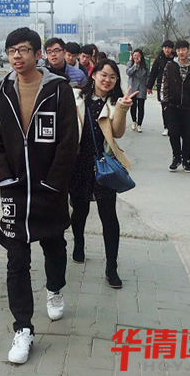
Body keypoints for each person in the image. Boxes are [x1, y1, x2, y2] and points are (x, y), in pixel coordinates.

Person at [0, 27, 78, 365]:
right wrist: (4, 178)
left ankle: (55, 288)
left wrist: (54, 183)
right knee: (16, 259)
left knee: (54, 246)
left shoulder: (58, 90)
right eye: (12, 50)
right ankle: (23, 327)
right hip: (14, 190)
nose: (16, 56)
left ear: (38, 54)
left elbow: (69, 141)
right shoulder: (0, 91)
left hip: (48, 188)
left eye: (23, 49)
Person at [70, 60, 136, 288]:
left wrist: (123, 109)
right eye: (103, 75)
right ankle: (79, 243)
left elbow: (117, 133)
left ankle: (111, 267)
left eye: (113, 77)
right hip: (78, 164)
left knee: (108, 216)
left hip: (104, 166)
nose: (107, 80)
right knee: (79, 210)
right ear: (94, 75)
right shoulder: (76, 97)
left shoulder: (115, 103)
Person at [161, 40, 190, 173]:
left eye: (183, 49)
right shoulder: (170, 66)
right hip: (172, 105)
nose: (181, 52)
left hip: (189, 107)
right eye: (178, 50)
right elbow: (164, 85)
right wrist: (165, 103)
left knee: (187, 135)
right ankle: (176, 157)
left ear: (188, 50)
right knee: (173, 133)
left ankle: (186, 159)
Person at [147, 40, 175, 135]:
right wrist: (149, 86)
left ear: (172, 49)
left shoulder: (176, 59)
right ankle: (166, 126)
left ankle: (174, 126)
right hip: (162, 86)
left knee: (174, 107)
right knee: (165, 107)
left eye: (169, 48)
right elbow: (153, 73)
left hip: (175, 86)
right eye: (165, 48)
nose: (167, 50)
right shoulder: (159, 59)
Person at [126, 49, 149, 133]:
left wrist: (148, 86)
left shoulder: (145, 65)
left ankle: (139, 124)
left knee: (141, 107)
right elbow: (128, 73)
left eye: (138, 55)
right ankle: (134, 121)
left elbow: (148, 76)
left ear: (141, 56)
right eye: (134, 55)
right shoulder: (130, 64)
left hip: (142, 87)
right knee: (133, 106)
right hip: (133, 87)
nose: (136, 57)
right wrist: (135, 65)